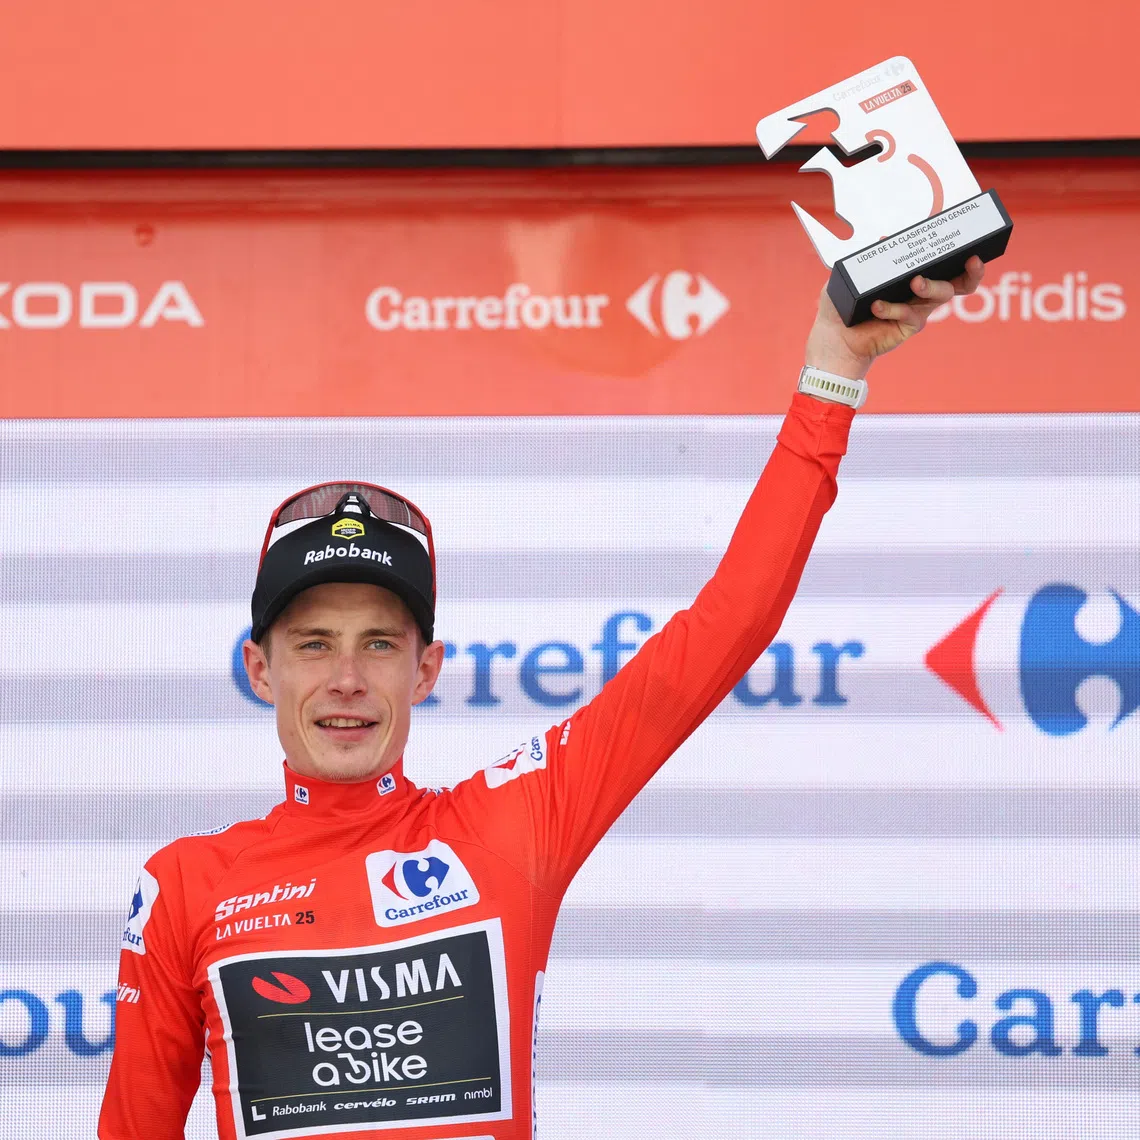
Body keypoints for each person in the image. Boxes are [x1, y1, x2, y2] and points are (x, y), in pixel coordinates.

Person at [99, 262, 985, 1139]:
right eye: (312, 645)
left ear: (428, 670)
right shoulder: (184, 888)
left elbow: (725, 629)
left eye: (380, 644)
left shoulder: (506, 828)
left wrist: (834, 373)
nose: (346, 680)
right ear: (260, 670)